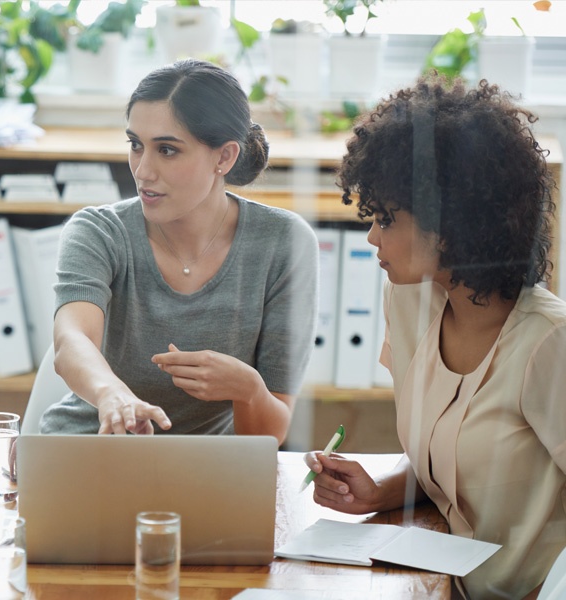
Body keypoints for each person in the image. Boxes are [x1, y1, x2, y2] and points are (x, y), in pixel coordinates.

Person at [305, 74, 564, 599]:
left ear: (452, 223)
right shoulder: (407, 300)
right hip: (440, 583)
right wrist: (379, 492)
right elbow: (453, 459)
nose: (372, 237)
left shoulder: (548, 344)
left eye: (387, 219)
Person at [39, 59, 318, 441]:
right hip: (88, 451)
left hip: (204, 473)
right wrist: (113, 395)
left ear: (224, 157)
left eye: (167, 150)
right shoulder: (98, 231)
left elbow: (269, 435)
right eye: (136, 145)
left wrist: (248, 389)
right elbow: (72, 340)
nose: (142, 171)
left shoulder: (285, 244)